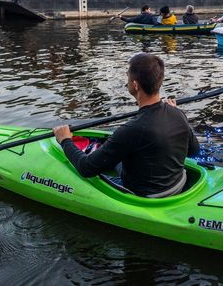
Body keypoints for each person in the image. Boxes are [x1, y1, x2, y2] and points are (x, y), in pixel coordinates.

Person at [53, 53, 199, 197]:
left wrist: (65, 140)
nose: (127, 82)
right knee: (118, 157)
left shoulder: (131, 130)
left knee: (93, 169)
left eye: (128, 78)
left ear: (135, 85)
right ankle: (102, 150)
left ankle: (98, 152)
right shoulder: (177, 113)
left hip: (146, 196)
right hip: (179, 185)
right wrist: (179, 116)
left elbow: (85, 168)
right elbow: (193, 150)